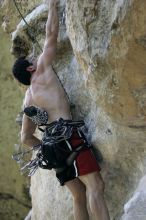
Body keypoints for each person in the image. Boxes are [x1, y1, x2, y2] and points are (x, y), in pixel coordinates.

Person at [12, 0, 110, 219]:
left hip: (53, 148)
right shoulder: (42, 70)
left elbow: (25, 137)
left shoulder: (28, 100)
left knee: (79, 195)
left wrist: (46, 146)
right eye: (30, 59)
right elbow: (51, 35)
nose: (34, 57)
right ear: (30, 68)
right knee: (95, 187)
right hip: (69, 138)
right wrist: (54, 7)